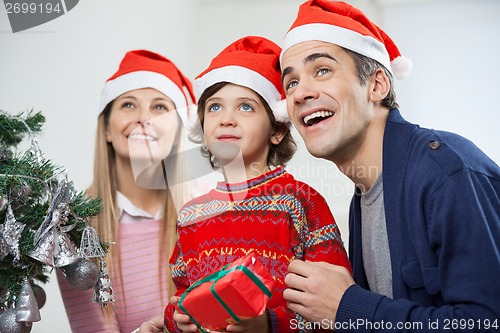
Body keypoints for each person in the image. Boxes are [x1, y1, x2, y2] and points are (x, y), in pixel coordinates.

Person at [280, 0, 500, 331]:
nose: (300, 93)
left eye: (322, 70)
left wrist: (348, 308)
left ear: (377, 85)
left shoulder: (445, 172)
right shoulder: (366, 193)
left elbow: (487, 321)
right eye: (291, 82)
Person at [161, 36, 352, 333]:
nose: (226, 119)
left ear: (276, 130)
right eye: (214, 108)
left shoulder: (302, 202)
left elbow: (336, 311)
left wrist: (269, 326)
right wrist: (176, 319)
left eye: (245, 107)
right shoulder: (190, 215)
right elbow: (180, 297)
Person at [57, 49, 196, 333]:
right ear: (107, 128)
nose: (144, 118)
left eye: (160, 107)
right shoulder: (76, 228)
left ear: (177, 132)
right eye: (128, 105)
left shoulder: (206, 214)